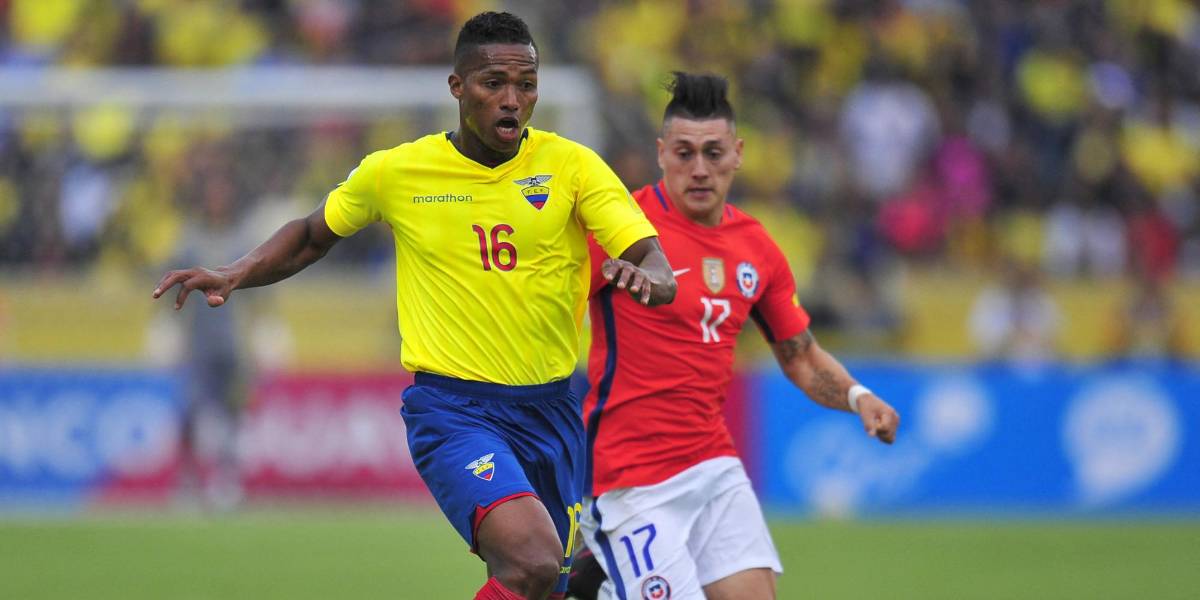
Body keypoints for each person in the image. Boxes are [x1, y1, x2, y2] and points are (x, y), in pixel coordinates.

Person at [153, 12, 677, 600]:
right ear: (457, 87)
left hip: (554, 410)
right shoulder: (397, 171)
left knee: (552, 583)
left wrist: (650, 280)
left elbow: (652, 259)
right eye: (493, 83)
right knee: (532, 560)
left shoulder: (573, 167)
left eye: (526, 86)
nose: (512, 100)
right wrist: (235, 271)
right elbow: (310, 234)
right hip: (455, 411)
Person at [568, 72, 900, 600]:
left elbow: (800, 355)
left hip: (713, 466)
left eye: (713, 153)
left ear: (738, 153)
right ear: (661, 153)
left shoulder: (755, 247)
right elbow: (542, 305)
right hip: (630, 479)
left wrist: (858, 397)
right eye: (684, 153)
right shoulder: (619, 227)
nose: (699, 169)